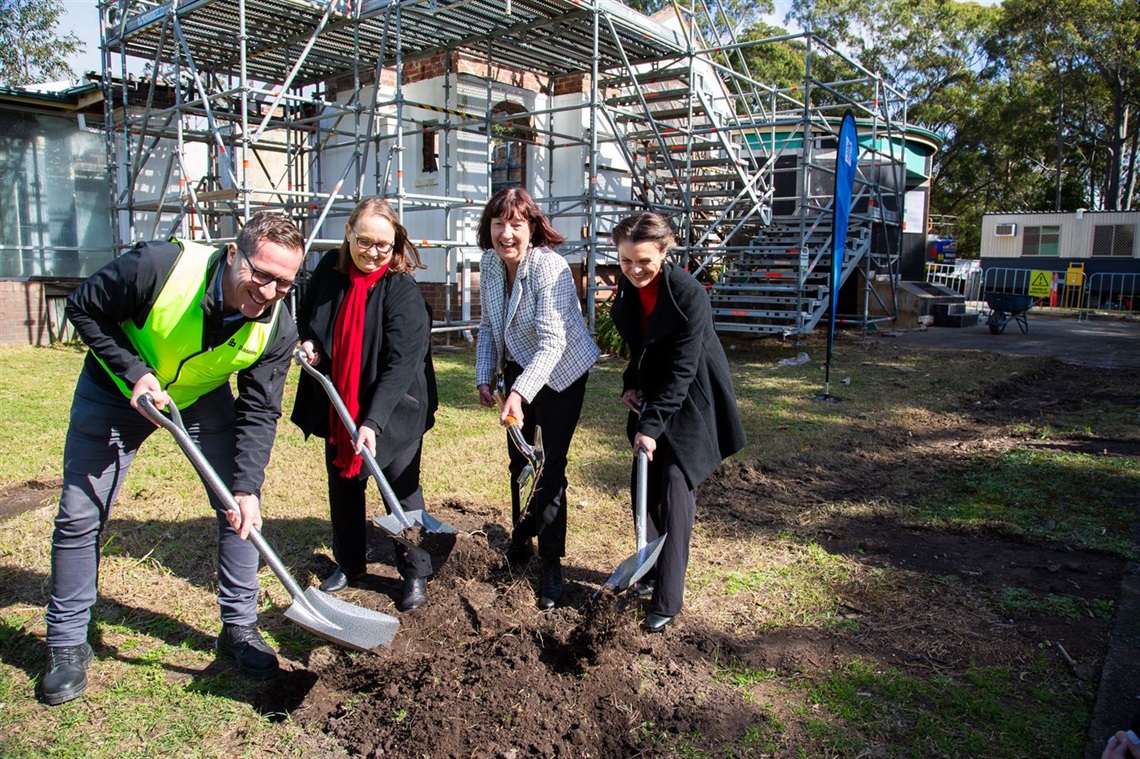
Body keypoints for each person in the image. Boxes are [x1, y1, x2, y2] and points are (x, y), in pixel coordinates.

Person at [41, 212, 306, 705]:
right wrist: (133, 371)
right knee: (80, 513)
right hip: (117, 389)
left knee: (239, 509)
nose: (269, 291)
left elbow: (260, 410)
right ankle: (66, 642)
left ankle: (240, 629)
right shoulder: (159, 266)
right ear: (233, 254)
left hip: (200, 396)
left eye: (284, 283)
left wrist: (246, 486)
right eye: (261, 274)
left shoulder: (278, 329)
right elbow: (84, 308)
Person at [291, 198, 437, 612]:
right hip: (340, 402)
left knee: (400, 489)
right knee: (343, 483)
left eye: (383, 245)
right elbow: (309, 317)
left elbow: (402, 366)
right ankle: (350, 563)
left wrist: (371, 421)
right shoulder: (327, 272)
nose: (373, 252)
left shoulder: (402, 291)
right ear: (348, 234)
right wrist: (311, 344)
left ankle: (413, 573)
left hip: (396, 406)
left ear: (396, 246)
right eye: (364, 241)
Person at [609, 212, 746, 633]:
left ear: (665, 251)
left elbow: (683, 369)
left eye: (644, 260)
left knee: (673, 484)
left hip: (693, 398)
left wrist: (650, 427)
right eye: (626, 260)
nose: (634, 270)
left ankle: (667, 598)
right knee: (643, 489)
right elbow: (642, 350)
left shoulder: (689, 295)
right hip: (654, 395)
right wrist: (631, 385)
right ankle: (647, 572)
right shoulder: (629, 291)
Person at [474, 187, 600, 610]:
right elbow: (491, 327)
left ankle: (550, 562)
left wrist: (519, 392)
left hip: (561, 374)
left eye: (516, 223)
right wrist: (484, 378)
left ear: (532, 227)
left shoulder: (550, 268)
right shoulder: (490, 264)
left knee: (548, 469)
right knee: (519, 462)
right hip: (518, 373)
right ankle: (522, 538)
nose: (506, 233)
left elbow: (552, 344)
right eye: (498, 223)